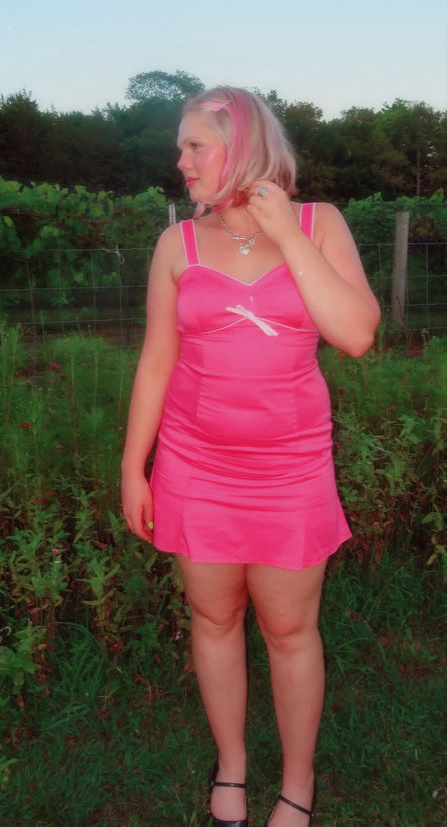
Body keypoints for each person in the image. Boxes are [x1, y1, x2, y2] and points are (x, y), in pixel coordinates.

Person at [121, 86, 380, 827]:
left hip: (290, 471)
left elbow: (356, 334)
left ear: (239, 147)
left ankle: (297, 782)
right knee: (212, 618)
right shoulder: (176, 244)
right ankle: (231, 765)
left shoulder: (318, 223)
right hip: (194, 467)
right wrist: (133, 466)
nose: (180, 161)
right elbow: (156, 361)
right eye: (180, 147)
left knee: (290, 631)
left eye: (194, 146)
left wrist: (287, 237)